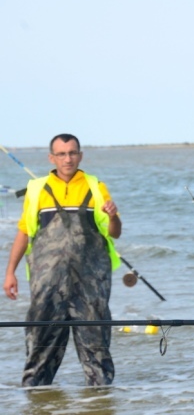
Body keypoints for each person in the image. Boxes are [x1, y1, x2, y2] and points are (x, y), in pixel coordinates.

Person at [3, 133, 122, 387]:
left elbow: (114, 233)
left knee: (97, 355)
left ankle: (100, 406)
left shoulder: (95, 186)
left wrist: (113, 216)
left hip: (91, 288)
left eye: (72, 153)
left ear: (80, 155)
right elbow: (24, 232)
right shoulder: (36, 189)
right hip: (47, 287)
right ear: (52, 157)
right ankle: (38, 405)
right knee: (39, 353)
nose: (68, 159)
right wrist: (10, 272)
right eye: (62, 154)